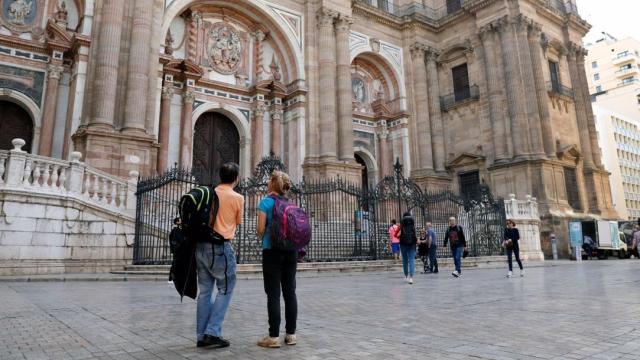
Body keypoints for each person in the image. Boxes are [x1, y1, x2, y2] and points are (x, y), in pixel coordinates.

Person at [195, 163, 244, 349]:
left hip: (201, 246)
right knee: (225, 289)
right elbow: (237, 221)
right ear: (236, 178)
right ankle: (212, 332)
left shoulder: (209, 193)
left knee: (205, 292)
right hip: (220, 247)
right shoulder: (237, 198)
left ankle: (201, 335)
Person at [256, 171, 298, 348]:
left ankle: (273, 336)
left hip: (272, 251)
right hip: (291, 251)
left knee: (273, 293)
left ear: (272, 184)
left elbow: (259, 230)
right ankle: (291, 335)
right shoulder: (292, 205)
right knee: (290, 292)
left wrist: (266, 232)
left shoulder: (265, 203)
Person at [396, 211, 417, 284]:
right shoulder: (413, 224)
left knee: (405, 260)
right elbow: (414, 233)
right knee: (411, 260)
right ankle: (411, 278)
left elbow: (396, 235)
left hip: (403, 243)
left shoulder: (401, 225)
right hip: (412, 244)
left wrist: (400, 236)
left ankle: (406, 276)